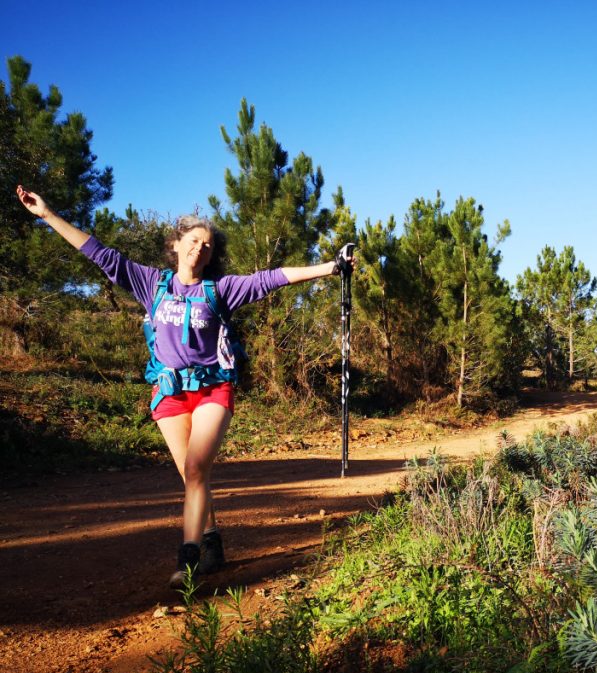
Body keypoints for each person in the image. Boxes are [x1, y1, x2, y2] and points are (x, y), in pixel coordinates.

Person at [15, 185, 353, 588]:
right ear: (176, 245)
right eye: (193, 241)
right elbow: (99, 254)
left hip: (213, 389)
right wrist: (49, 215)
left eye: (207, 246)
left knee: (195, 468)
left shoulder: (220, 290)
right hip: (169, 391)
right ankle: (213, 544)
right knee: (191, 476)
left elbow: (273, 279)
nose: (199, 249)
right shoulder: (150, 283)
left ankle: (188, 559)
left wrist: (331, 267)